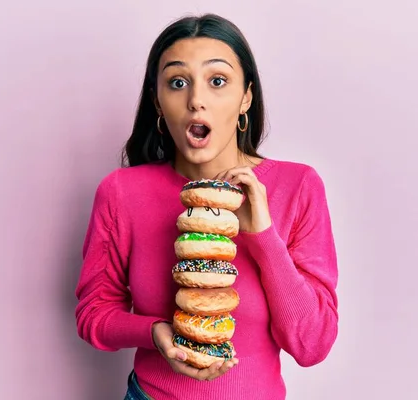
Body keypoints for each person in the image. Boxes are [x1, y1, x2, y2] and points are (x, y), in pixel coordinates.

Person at [74, 13, 339, 400]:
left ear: (245, 96)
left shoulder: (298, 186)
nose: (196, 100)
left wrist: (263, 237)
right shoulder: (121, 193)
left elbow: (312, 345)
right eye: (177, 82)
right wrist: (155, 333)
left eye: (218, 81)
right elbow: (93, 314)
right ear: (157, 101)